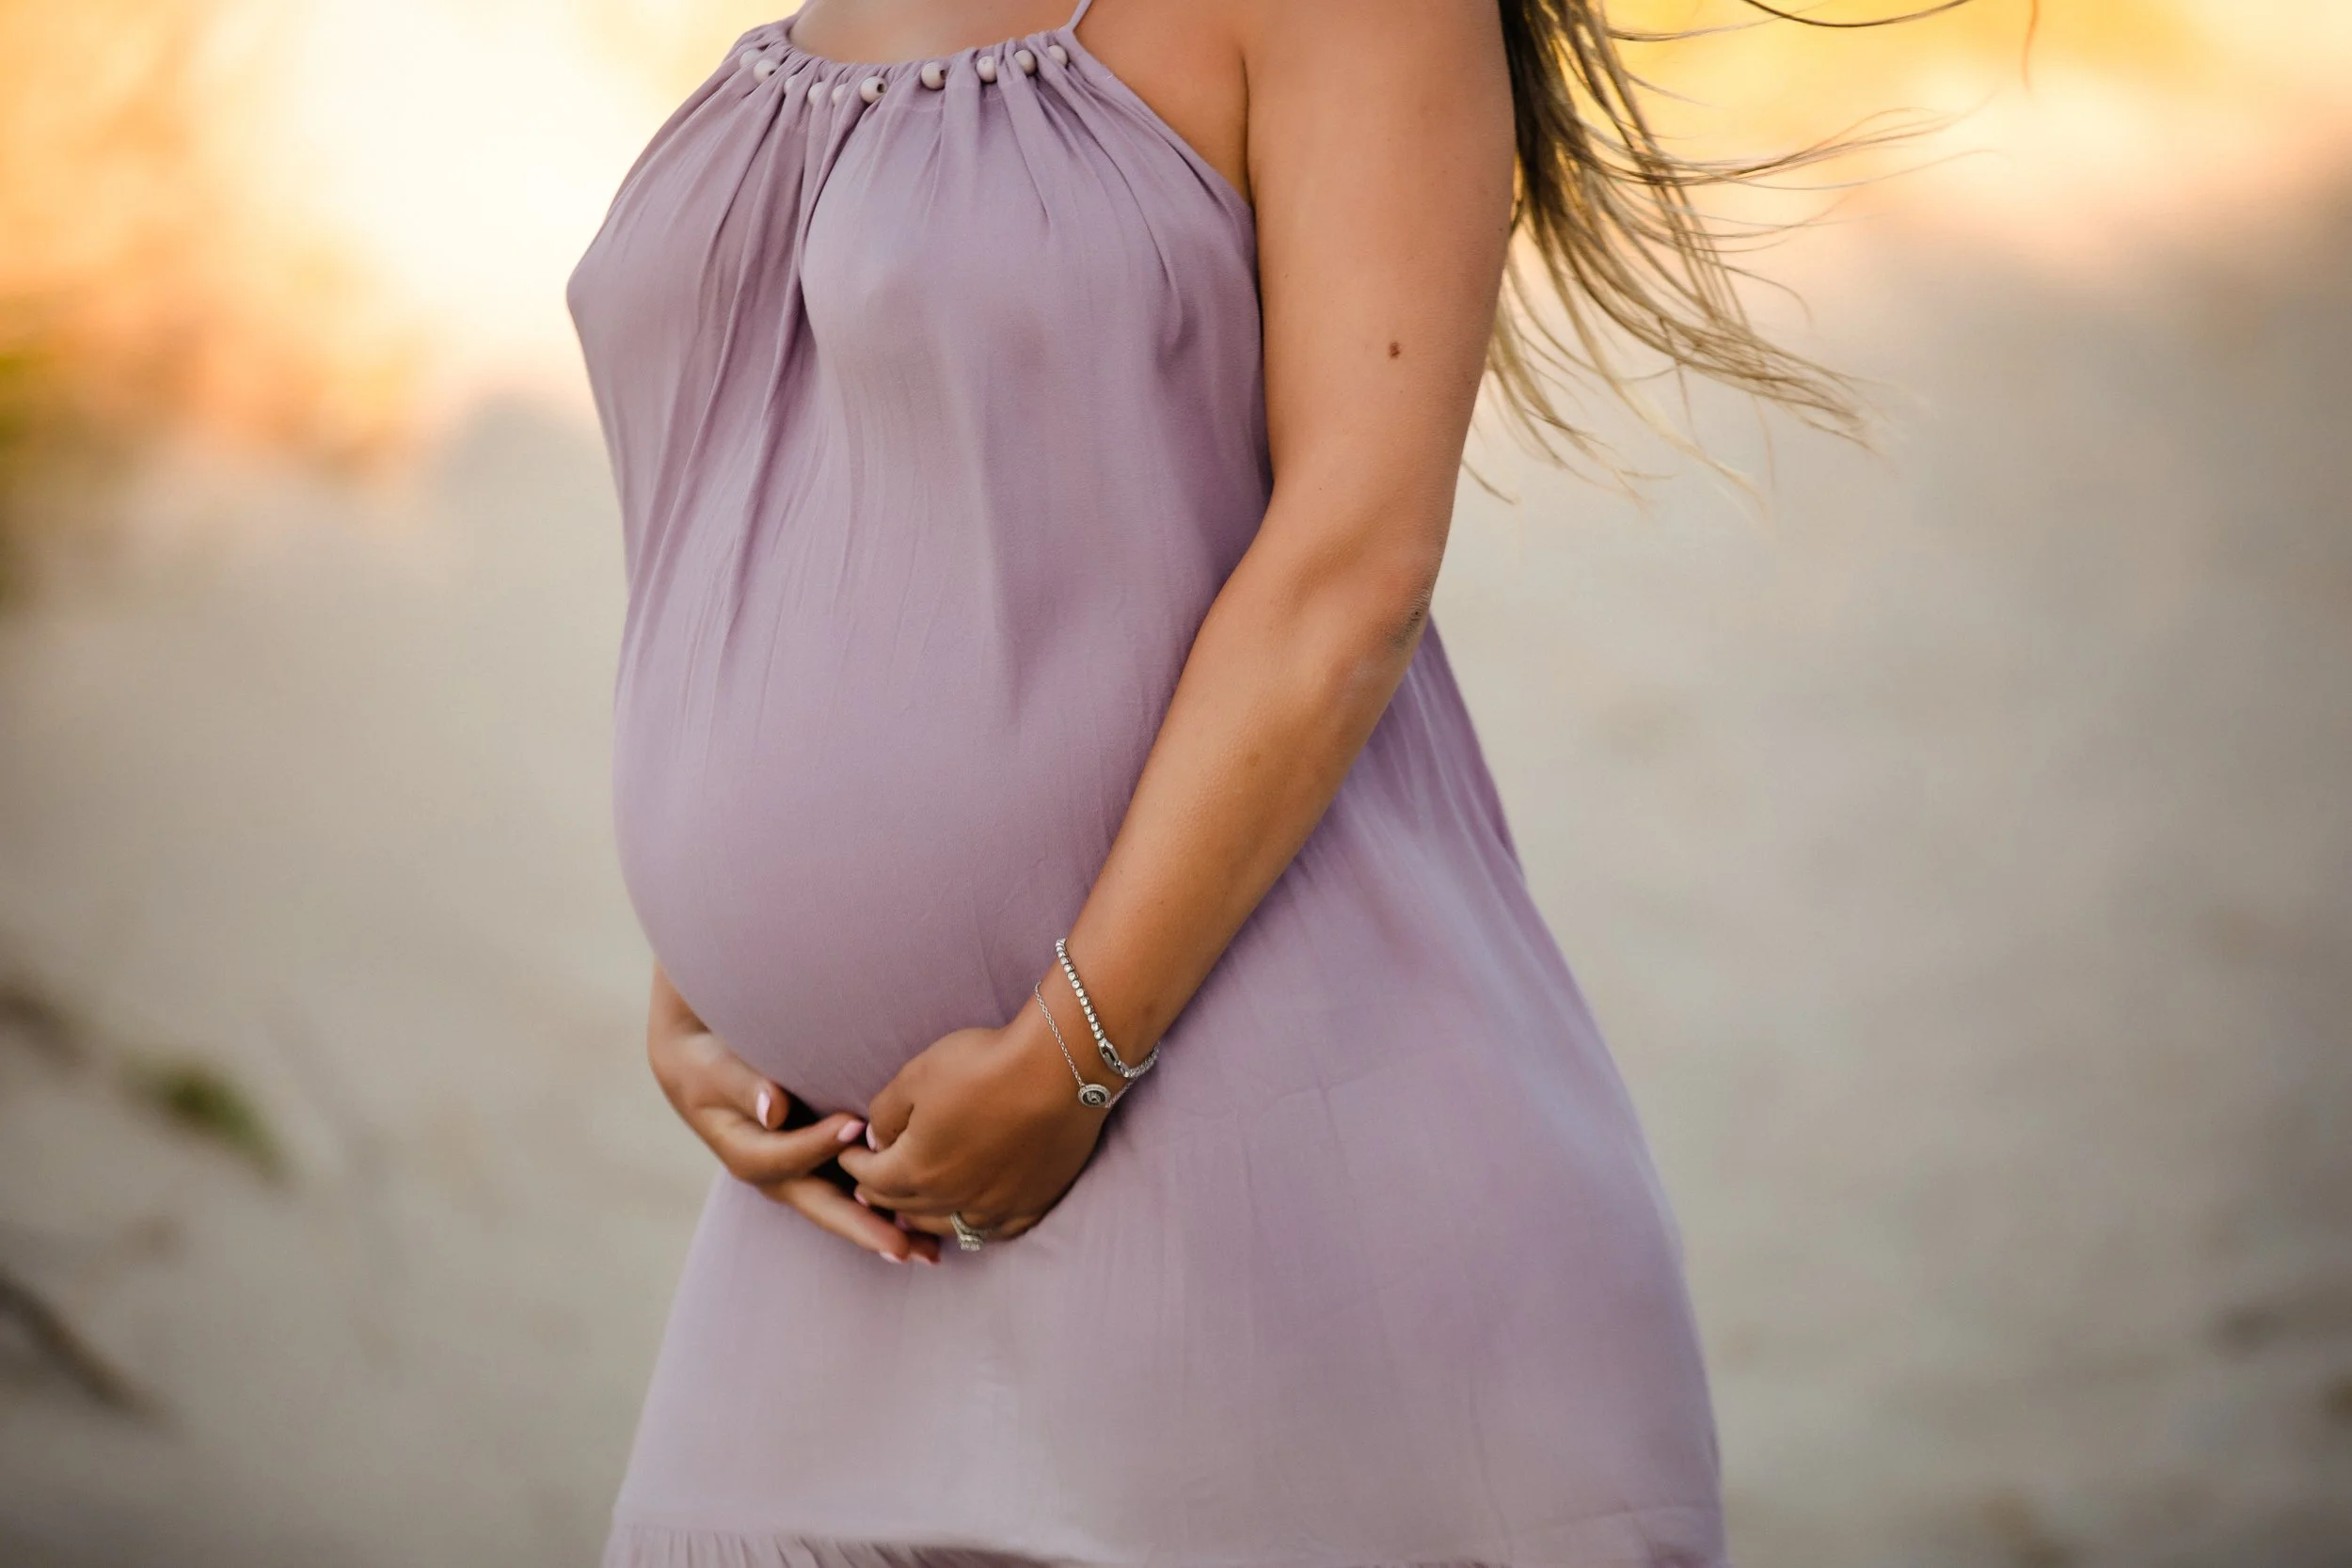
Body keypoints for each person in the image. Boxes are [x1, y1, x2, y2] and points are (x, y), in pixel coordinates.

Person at [566, 2, 1883, 1564]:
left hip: (1271, 1195)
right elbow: (834, 484)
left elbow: (1353, 567)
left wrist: (1067, 1060)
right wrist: (715, 964)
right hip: (841, 1225)